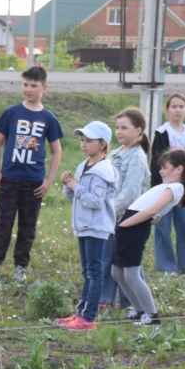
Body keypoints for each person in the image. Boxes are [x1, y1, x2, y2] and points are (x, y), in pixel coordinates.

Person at [0, 63, 63, 281]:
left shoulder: (48, 118)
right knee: (3, 222)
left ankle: (21, 266)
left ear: (44, 88)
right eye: (25, 84)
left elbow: (56, 150)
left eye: (34, 85)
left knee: (27, 226)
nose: (29, 89)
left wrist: (48, 180)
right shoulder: (12, 113)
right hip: (10, 179)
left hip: (34, 182)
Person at [112, 150, 185, 326]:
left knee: (132, 275)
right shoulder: (168, 186)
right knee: (117, 272)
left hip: (134, 227)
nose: (161, 171)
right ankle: (139, 310)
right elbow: (156, 216)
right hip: (130, 224)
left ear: (179, 169)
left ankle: (152, 315)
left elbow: (151, 211)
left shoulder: (176, 187)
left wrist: (124, 224)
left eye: (165, 167)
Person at [58, 120, 117, 329]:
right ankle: (80, 313)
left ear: (102, 144)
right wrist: (69, 186)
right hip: (84, 226)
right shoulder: (83, 166)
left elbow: (94, 201)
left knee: (94, 272)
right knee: (88, 272)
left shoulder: (102, 172)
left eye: (89, 141)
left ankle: (88, 317)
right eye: (82, 140)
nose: (83, 144)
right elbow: (76, 198)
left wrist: (75, 186)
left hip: (97, 228)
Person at [99, 107, 151, 316]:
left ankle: (133, 304)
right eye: (117, 127)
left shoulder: (137, 157)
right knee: (109, 260)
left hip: (128, 218)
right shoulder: (113, 154)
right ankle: (105, 301)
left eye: (124, 128)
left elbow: (130, 192)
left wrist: (111, 211)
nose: (119, 132)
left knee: (127, 262)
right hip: (110, 216)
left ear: (138, 130)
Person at [148, 93, 185, 273]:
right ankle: (166, 267)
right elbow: (156, 161)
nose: (177, 110)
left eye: (181, 106)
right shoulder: (162, 133)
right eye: (174, 106)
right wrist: (162, 185)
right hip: (164, 188)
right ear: (167, 110)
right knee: (163, 228)